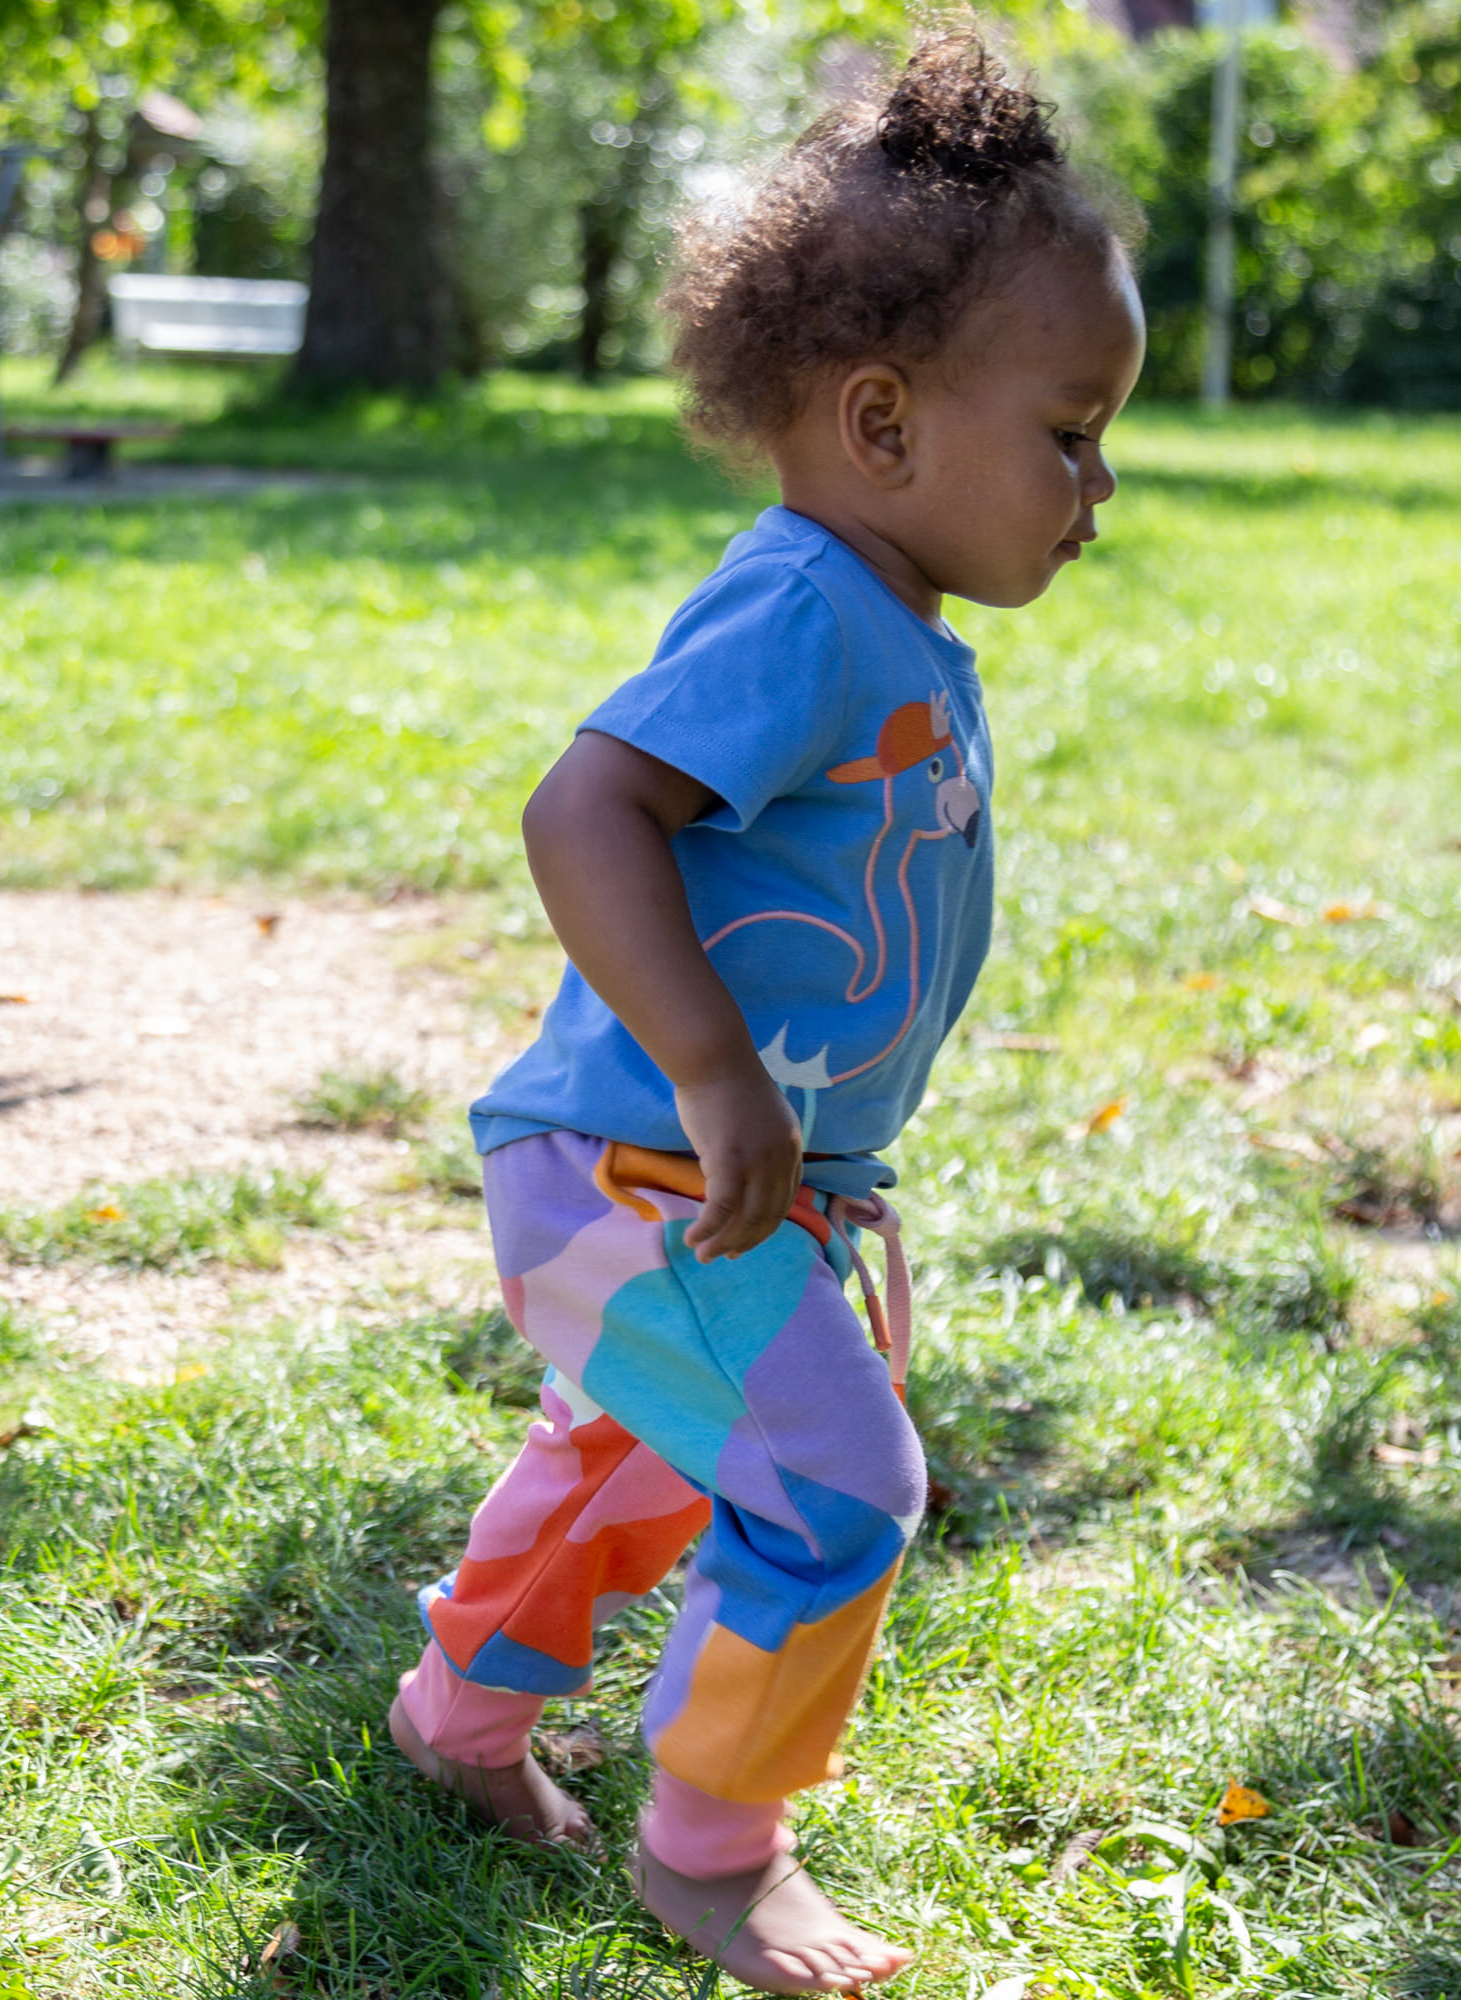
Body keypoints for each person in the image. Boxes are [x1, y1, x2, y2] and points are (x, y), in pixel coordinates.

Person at [388, 31, 1145, 1993]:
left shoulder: (883, 617)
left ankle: (458, 1720)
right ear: (882, 420)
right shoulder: (805, 607)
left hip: (688, 1176)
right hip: (641, 1165)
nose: (1099, 485)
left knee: (631, 1464)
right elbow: (583, 807)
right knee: (837, 1487)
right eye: (1070, 431)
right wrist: (718, 1073)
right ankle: (716, 1847)